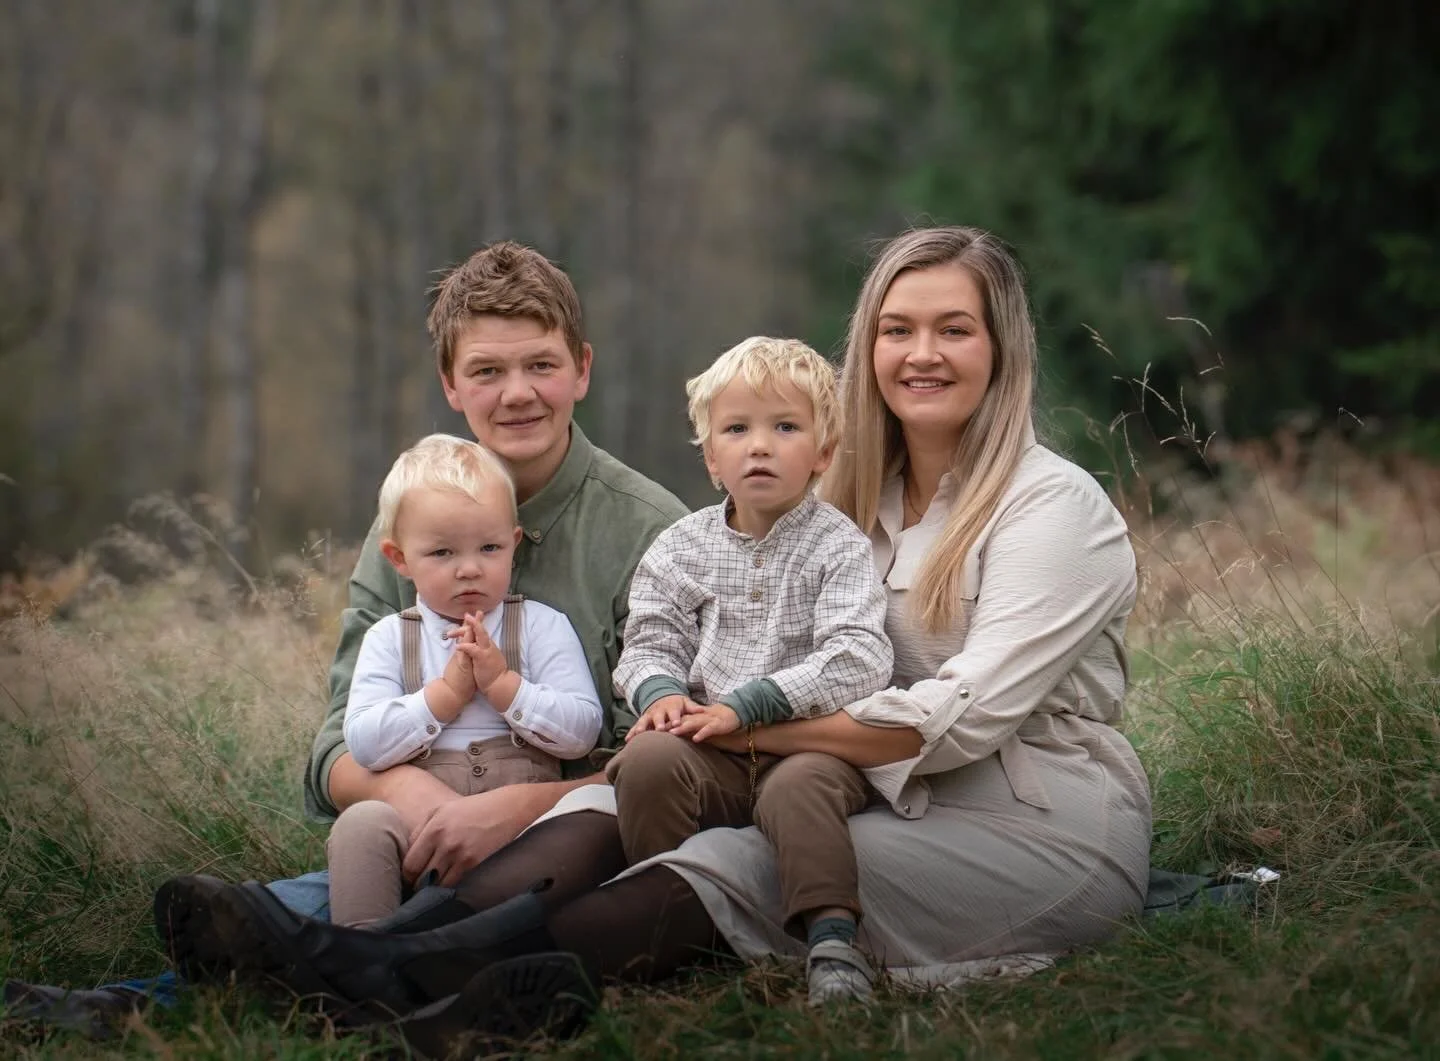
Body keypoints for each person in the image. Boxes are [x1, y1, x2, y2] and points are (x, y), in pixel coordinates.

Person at [149, 225, 1152, 1056]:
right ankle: (367, 958)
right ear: (866, 349)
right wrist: (688, 721)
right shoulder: (843, 499)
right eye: (897, 328)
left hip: (1026, 814)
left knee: (739, 856)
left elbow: (962, 718)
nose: (921, 352)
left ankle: (405, 980)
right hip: (840, 778)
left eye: (953, 329)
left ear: (1002, 347)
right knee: (625, 790)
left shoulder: (1050, 509)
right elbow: (351, 728)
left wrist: (740, 729)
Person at [5, 241, 688, 1032]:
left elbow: (676, 768)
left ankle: (178, 1001)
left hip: (574, 848)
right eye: (487, 371)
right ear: (450, 383)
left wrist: (513, 807)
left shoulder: (652, 533)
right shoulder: (404, 529)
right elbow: (337, 748)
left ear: (582, 369)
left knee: (317, 922)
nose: (518, 394)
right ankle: (131, 1004)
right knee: (344, 876)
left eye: (540, 364)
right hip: (425, 831)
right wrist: (416, 797)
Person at [605, 336, 893, 1004]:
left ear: (823, 455)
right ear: (712, 457)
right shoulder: (682, 545)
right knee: (648, 760)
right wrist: (662, 692)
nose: (758, 446)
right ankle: (667, 926)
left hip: (809, 743)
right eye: (737, 429)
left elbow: (859, 655)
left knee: (799, 790)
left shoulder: (838, 544)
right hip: (712, 747)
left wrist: (756, 702)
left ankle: (832, 944)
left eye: (785, 427)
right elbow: (649, 634)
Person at [329, 432, 603, 927]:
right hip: (419, 829)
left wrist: (504, 687)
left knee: (572, 837)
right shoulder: (390, 638)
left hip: (521, 829)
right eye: (442, 554)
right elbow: (365, 743)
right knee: (362, 825)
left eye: (490, 547)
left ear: (513, 545)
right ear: (399, 559)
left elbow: (582, 730)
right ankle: (363, 948)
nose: (470, 569)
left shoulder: (540, 626)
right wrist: (444, 697)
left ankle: (468, 944)